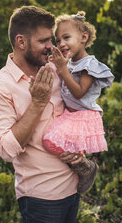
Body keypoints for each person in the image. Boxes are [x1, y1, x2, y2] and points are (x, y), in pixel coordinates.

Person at [0, 6, 97, 223]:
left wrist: (79, 150)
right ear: (21, 42)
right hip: (42, 198)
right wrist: (38, 103)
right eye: (44, 41)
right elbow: (6, 149)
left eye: (51, 39)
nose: (52, 46)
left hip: (73, 189)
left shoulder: (56, 69)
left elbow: (75, 110)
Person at [43, 11, 114, 193]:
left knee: (49, 141)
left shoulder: (89, 64)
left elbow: (79, 92)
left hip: (83, 116)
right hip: (70, 115)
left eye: (67, 37)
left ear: (84, 37)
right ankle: (76, 164)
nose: (62, 44)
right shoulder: (71, 63)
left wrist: (62, 69)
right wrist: (59, 65)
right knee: (53, 141)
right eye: (58, 40)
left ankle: (85, 167)